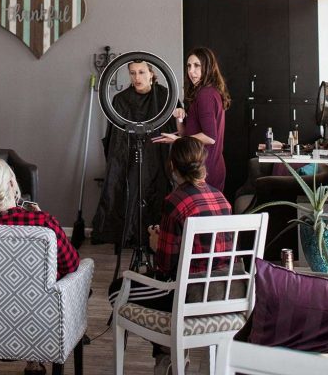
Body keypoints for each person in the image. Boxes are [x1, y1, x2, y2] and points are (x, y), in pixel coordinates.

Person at [108, 137, 233, 313]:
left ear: (172, 165)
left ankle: (163, 330)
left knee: (116, 291)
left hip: (187, 291)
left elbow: (165, 266)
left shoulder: (175, 202)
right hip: (223, 289)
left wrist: (156, 244)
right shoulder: (222, 198)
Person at [91, 59, 179, 247]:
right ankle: (131, 234)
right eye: (132, 73)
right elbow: (115, 140)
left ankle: (155, 237)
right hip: (129, 156)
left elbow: (178, 130)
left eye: (141, 72)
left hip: (158, 156)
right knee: (129, 189)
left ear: (151, 73)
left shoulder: (165, 97)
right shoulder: (120, 100)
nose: (137, 77)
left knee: (158, 190)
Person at [0, 155, 79, 280]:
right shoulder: (44, 222)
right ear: (12, 183)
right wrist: (41, 219)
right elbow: (71, 265)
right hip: (33, 292)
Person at [153, 46, 230, 192]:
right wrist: (180, 118)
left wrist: (177, 140)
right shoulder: (203, 92)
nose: (191, 71)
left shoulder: (206, 95)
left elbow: (210, 137)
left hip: (206, 170)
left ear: (208, 67)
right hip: (201, 167)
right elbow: (186, 134)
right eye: (189, 66)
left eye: (196, 66)